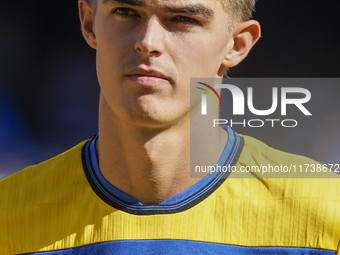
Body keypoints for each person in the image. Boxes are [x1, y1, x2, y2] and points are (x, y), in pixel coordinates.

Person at [0, 0, 339, 254]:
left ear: (237, 45)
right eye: (125, 12)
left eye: (182, 19)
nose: (148, 42)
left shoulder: (326, 216)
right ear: (89, 23)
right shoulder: (8, 216)